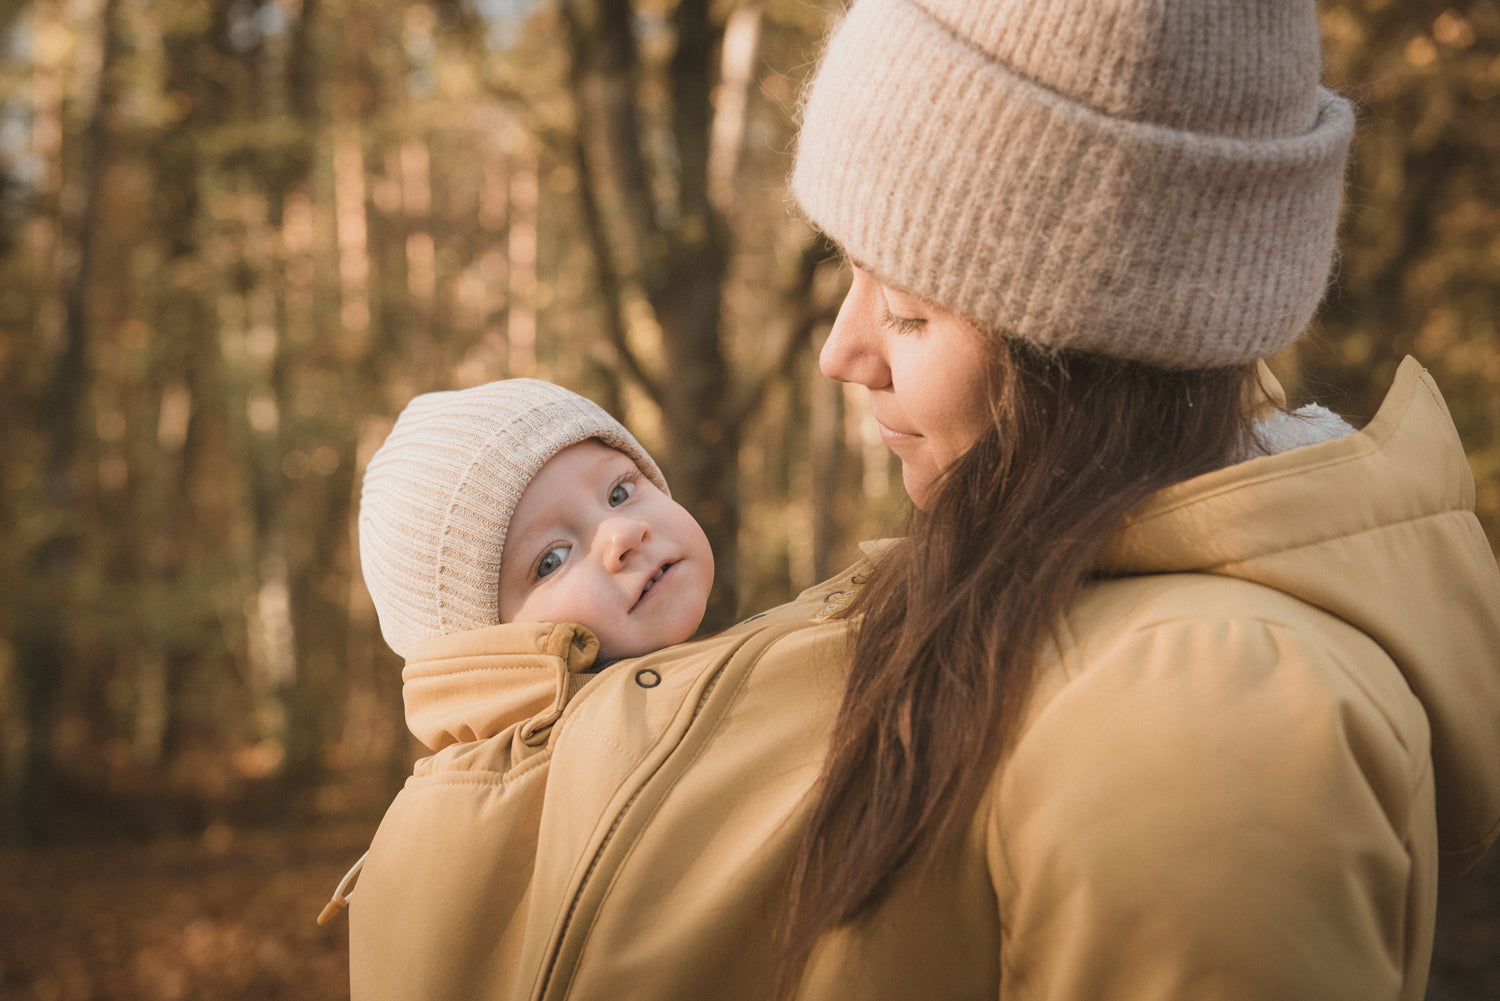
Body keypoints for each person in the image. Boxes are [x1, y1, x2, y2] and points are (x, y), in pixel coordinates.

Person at [338, 2, 1500, 999]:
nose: (843, 351)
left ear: (1095, 342)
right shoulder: (990, 604)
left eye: (907, 308)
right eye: (849, 275)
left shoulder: (1206, 711)